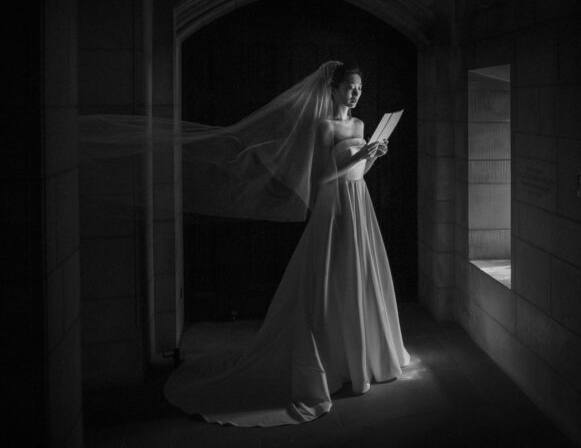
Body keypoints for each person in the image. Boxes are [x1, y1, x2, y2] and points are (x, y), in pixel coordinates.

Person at [160, 61, 410, 426]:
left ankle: (365, 356)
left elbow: (358, 172)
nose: (356, 93)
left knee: (360, 276)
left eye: (360, 87)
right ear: (334, 88)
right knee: (332, 280)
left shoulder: (358, 125)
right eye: (351, 87)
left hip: (359, 202)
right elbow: (322, 176)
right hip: (335, 206)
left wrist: (372, 157)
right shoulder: (324, 125)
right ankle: (331, 361)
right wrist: (357, 155)